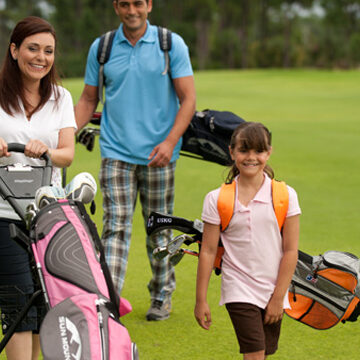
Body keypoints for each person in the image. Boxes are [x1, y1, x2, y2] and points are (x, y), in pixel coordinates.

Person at [75, 0, 196, 321]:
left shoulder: (171, 44)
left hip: (160, 156)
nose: (132, 10)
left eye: (138, 3)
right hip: (115, 154)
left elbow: (189, 99)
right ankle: (109, 299)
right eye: (125, 4)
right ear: (116, 7)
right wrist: (65, 135)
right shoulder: (101, 48)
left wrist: (170, 143)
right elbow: (89, 98)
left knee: (159, 229)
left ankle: (161, 295)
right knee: (115, 227)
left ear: (149, 5)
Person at [0, 16, 76, 360]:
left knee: (45, 305)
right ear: (14, 50)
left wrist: (47, 151)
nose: (40, 58)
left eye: (48, 51)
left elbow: (67, 155)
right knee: (18, 303)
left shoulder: (61, 97)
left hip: (47, 217)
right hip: (4, 216)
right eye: (32, 48)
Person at [194, 122, 301, 360]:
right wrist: (200, 300)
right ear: (231, 152)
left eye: (258, 151)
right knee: (254, 354)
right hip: (238, 288)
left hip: (273, 289)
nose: (251, 157)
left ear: (268, 152)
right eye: (244, 150)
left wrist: (277, 298)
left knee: (262, 354)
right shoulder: (216, 199)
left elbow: (290, 250)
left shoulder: (285, 195)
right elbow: (208, 251)